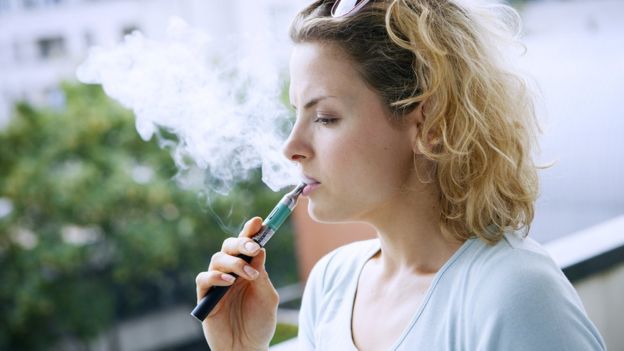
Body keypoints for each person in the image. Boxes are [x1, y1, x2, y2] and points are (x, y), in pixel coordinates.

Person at [194, 0, 607, 350]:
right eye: (296, 114)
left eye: (325, 117)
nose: (290, 147)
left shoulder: (515, 295)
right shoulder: (333, 283)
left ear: (427, 121)